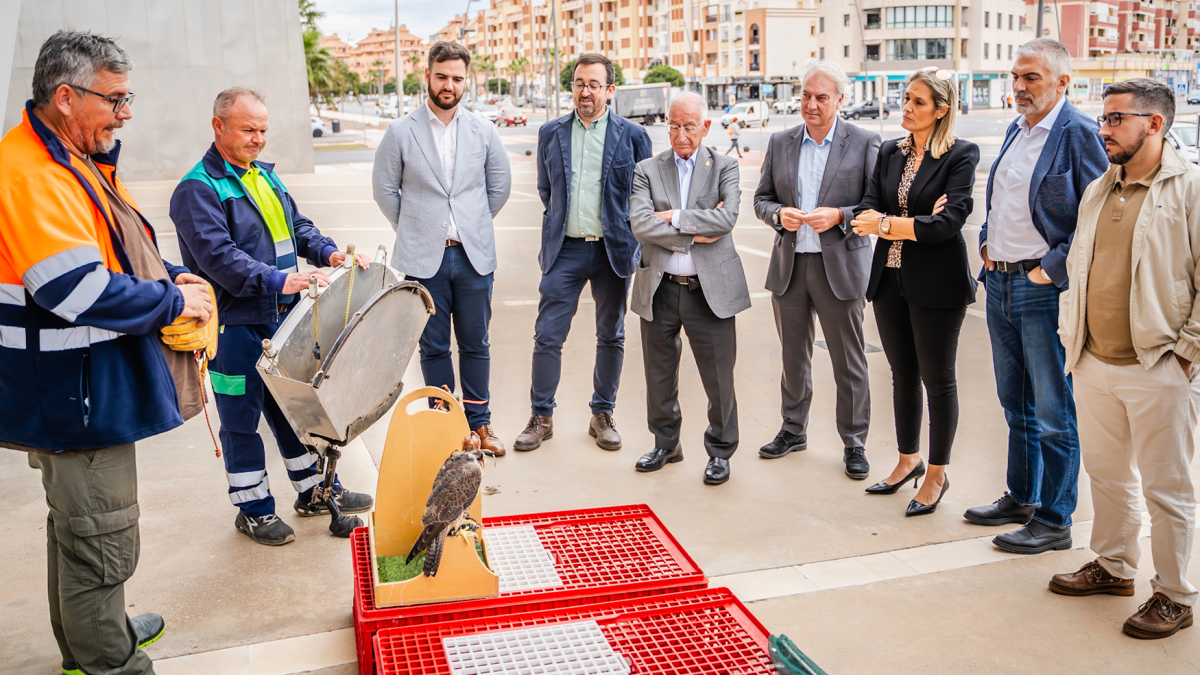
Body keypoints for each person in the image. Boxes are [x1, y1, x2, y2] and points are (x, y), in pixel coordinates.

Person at [0, 30, 216, 675]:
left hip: (70, 387)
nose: (126, 113)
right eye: (115, 99)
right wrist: (175, 304)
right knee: (100, 534)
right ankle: (110, 662)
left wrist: (166, 274)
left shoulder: (67, 157)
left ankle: (92, 636)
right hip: (73, 393)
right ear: (65, 97)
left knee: (79, 528)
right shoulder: (34, 174)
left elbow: (112, 252)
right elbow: (74, 287)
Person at [171, 87, 374, 547]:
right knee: (240, 420)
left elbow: (297, 227)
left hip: (281, 319)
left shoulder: (264, 177)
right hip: (233, 328)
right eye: (248, 129)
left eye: (263, 130)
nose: (258, 138)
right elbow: (218, 257)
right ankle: (254, 510)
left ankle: (314, 491)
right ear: (218, 126)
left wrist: (329, 252)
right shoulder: (196, 189)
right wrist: (280, 281)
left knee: (294, 409)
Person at [1051, 78, 1200, 640]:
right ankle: (1114, 567)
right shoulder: (1099, 188)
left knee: (1169, 488)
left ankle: (1175, 594)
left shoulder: (1190, 189)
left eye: (1116, 119)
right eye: (1103, 118)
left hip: (1159, 364)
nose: (1102, 129)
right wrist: (1076, 341)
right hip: (1093, 361)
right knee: (1108, 475)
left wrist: (1187, 353)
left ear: (1154, 124)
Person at [964, 39, 1108, 554]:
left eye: (1032, 78)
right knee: (1014, 401)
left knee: (1052, 409)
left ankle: (1055, 518)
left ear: (1063, 82)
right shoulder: (1016, 128)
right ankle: (1022, 495)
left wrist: (1050, 269)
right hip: (999, 282)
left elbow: (1096, 220)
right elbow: (1004, 199)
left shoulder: (1078, 134)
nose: (1020, 87)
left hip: (1039, 290)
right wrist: (985, 242)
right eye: (1016, 76)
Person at [372, 41, 512, 456]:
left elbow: (498, 187)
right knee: (432, 346)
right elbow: (385, 190)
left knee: (476, 343)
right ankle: (447, 428)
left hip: (473, 257)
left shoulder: (483, 129)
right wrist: (416, 229)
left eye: (457, 78)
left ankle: (480, 424)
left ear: (465, 81)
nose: (449, 84)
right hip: (423, 258)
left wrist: (471, 225)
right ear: (427, 76)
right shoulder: (401, 131)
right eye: (442, 76)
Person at [850, 67, 979, 516]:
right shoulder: (890, 152)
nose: (906, 107)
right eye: (906, 98)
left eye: (918, 102)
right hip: (889, 279)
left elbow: (946, 225)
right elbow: (867, 207)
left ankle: (937, 473)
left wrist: (889, 224)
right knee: (901, 375)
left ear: (941, 110)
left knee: (938, 382)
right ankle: (908, 460)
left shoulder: (961, 155)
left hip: (937, 284)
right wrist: (911, 222)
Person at [514, 53, 653, 452]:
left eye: (594, 84)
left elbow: (642, 197)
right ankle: (541, 416)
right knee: (547, 336)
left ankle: (602, 414)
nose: (585, 91)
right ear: (571, 87)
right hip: (566, 251)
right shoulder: (550, 133)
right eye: (579, 83)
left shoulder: (633, 136)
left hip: (614, 253)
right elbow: (547, 192)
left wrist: (633, 239)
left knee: (611, 335)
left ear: (610, 90)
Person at [753, 60, 880, 480]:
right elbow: (762, 199)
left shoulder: (863, 143)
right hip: (791, 266)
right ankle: (793, 429)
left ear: (840, 101)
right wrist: (778, 215)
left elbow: (875, 207)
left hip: (840, 266)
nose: (810, 104)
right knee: (793, 356)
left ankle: (855, 441)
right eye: (806, 95)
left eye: (821, 97)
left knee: (849, 360)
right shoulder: (781, 141)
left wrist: (841, 216)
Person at [628, 92, 750, 485]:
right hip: (660, 286)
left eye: (689, 127)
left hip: (709, 290)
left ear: (706, 127)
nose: (681, 135)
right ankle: (666, 444)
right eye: (674, 126)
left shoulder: (725, 166)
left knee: (719, 378)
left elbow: (726, 218)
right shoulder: (647, 168)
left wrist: (675, 216)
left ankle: (720, 451)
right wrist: (694, 234)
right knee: (659, 374)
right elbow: (640, 224)